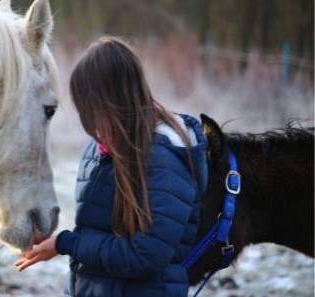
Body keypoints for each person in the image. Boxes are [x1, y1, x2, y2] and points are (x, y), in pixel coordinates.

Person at [15, 36, 208, 297]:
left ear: (119, 103)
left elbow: (144, 256)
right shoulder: (97, 151)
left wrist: (67, 243)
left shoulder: (164, 162)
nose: (93, 127)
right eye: (86, 114)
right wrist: (52, 238)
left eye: (96, 112)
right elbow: (96, 234)